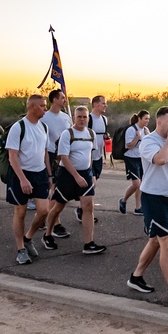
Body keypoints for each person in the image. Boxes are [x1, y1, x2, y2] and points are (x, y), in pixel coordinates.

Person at [124, 106, 168, 308]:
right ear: (160, 122)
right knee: (167, 242)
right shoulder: (149, 141)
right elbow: (161, 160)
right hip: (152, 197)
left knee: (155, 240)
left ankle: (136, 277)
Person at [45, 106, 106, 255]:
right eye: (79, 117)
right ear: (73, 118)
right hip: (67, 175)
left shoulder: (91, 133)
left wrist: (90, 173)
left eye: (85, 117)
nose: (82, 119)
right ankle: (47, 234)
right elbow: (64, 158)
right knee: (58, 207)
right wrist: (76, 176)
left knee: (88, 207)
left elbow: (89, 155)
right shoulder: (67, 134)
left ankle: (89, 243)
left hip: (85, 174)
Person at [6, 94, 52, 265]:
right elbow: (12, 156)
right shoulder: (18, 127)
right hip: (20, 174)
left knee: (44, 211)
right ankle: (20, 249)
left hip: (39, 173)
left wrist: (49, 175)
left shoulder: (44, 127)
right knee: (21, 212)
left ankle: (28, 237)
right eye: (42, 106)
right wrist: (23, 179)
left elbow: (45, 153)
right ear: (32, 107)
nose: (45, 108)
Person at [41, 89, 73, 238]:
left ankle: (48, 218)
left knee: (58, 189)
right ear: (54, 99)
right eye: (62, 97)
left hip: (64, 156)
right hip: (49, 155)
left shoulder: (66, 117)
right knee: (53, 188)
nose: (64, 100)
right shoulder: (44, 117)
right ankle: (55, 224)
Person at [80, 95, 109, 223]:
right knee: (92, 183)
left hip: (99, 157)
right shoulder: (88, 119)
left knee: (93, 184)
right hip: (88, 157)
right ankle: (84, 211)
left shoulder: (104, 119)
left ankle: (82, 208)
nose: (105, 106)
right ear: (96, 104)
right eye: (103, 103)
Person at [118, 110, 150, 215]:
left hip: (141, 158)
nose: (147, 121)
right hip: (131, 158)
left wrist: (148, 136)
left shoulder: (146, 130)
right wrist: (137, 137)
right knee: (136, 183)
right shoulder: (132, 130)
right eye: (145, 118)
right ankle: (123, 200)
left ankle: (138, 207)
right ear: (139, 118)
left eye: (148, 119)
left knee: (141, 184)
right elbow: (129, 146)